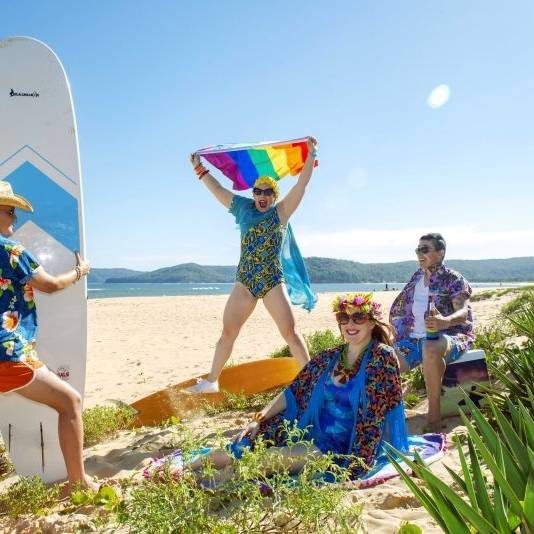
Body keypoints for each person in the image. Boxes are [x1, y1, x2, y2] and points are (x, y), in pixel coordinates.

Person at [160, 292, 409, 483]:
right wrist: (258, 419)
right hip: (309, 430)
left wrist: (360, 456)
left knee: (271, 459)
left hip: (340, 445)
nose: (350, 324)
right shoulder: (329, 357)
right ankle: (182, 469)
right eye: (344, 318)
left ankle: (203, 482)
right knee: (241, 445)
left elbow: (380, 410)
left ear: (371, 322)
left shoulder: (381, 357)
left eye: (358, 317)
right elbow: (294, 391)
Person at [186, 137, 318, 393]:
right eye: (258, 191)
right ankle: (212, 381)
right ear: (253, 193)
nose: (262, 196)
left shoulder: (280, 212)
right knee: (227, 332)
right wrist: (199, 169)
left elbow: (301, 185)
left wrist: (311, 154)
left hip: (271, 281)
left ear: (273, 195)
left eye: (268, 192)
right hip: (245, 281)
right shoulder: (242, 209)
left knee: (290, 332)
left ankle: (311, 380)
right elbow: (218, 191)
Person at [0, 181, 96, 492]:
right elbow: (51, 284)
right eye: (10, 211)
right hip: (9, 354)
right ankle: (79, 482)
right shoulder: (11, 250)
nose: (14, 218)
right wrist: (80, 272)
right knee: (70, 402)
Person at [389, 233, 474, 432]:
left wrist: (444, 321)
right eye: (418, 249)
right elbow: (401, 306)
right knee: (384, 359)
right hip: (412, 339)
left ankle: (434, 417)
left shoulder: (453, 278)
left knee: (430, 347)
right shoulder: (416, 278)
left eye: (425, 249)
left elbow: (463, 312)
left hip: (450, 337)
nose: (419, 253)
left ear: (440, 252)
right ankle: (394, 413)